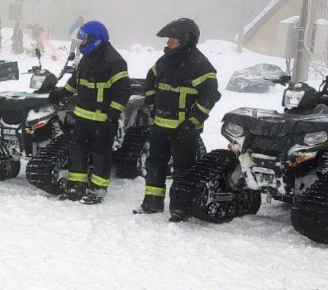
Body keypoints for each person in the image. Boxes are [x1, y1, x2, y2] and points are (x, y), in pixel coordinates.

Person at [134, 18, 221, 220]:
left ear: (186, 41)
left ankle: (180, 208)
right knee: (155, 164)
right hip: (160, 126)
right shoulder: (164, 61)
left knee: (184, 169)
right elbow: (150, 81)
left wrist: (192, 123)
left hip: (184, 130)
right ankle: (152, 203)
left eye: (172, 40)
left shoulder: (200, 65)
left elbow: (208, 98)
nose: (168, 44)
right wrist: (152, 105)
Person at [49, 20, 130, 204]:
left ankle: (97, 191)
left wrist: (113, 114)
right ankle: (76, 188)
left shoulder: (115, 61)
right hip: (83, 117)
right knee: (77, 152)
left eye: (83, 39)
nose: (81, 43)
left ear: (95, 39)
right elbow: (75, 80)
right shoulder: (87, 58)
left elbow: (124, 90)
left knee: (100, 155)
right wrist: (62, 93)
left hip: (103, 120)